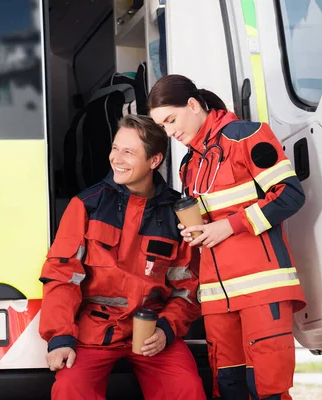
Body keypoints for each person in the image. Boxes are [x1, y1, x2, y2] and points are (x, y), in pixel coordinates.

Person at [148, 74, 306, 400]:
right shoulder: (188, 165)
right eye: (162, 126)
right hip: (218, 297)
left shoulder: (247, 136)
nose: (170, 132)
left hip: (262, 288)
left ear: (193, 105)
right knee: (229, 387)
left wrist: (229, 226)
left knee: (266, 389)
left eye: (171, 120)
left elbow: (290, 195)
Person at [38, 114, 207, 400]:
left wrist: (166, 330)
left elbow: (187, 289)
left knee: (187, 388)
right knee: (69, 389)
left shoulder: (177, 213)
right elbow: (62, 275)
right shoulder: (86, 206)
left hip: (152, 331)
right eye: (115, 148)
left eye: (128, 152)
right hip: (93, 332)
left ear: (154, 161)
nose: (116, 158)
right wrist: (60, 336)